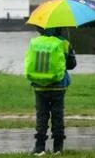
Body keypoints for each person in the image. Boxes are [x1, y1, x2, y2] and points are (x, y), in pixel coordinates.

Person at [24, 27, 77, 155]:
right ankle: (58, 147)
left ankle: (39, 147)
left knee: (41, 115)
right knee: (57, 115)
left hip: (39, 85)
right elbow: (72, 65)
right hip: (58, 85)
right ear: (60, 28)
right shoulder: (64, 43)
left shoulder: (35, 42)